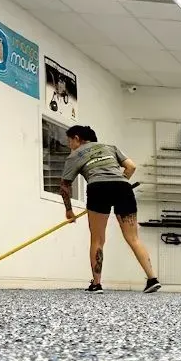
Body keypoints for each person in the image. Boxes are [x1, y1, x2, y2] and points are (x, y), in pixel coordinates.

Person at [60, 125, 160, 294]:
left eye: (69, 141)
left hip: (98, 188)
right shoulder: (110, 147)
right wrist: (119, 182)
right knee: (133, 238)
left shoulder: (75, 155)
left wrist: (69, 210)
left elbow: (64, 185)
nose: (69, 144)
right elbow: (131, 167)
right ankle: (152, 279)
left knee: (97, 240)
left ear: (77, 138)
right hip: (123, 188)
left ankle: (96, 284)